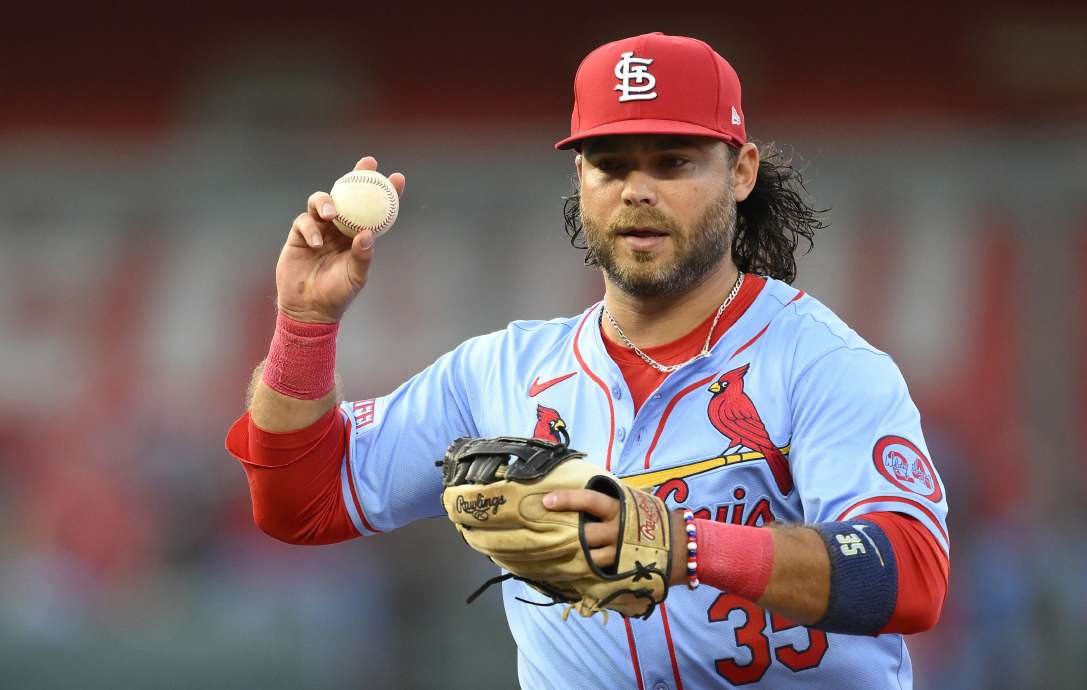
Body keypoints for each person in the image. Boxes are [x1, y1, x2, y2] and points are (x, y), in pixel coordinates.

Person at [226, 31, 950, 690]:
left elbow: (912, 573)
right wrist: (306, 324)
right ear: (580, 177)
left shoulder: (822, 363)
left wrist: (686, 544)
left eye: (672, 161)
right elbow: (301, 503)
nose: (637, 189)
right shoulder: (499, 372)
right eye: (610, 164)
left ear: (741, 171)